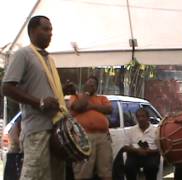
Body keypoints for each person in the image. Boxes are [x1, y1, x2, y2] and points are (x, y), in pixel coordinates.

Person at [2, 15, 66, 180]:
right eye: (45, 29)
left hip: (57, 131)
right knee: (33, 176)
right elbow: (7, 88)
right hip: (37, 129)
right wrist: (40, 102)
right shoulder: (23, 54)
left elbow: (42, 88)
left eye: (51, 30)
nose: (50, 33)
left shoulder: (49, 59)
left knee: (55, 176)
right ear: (32, 31)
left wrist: (62, 91)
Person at [69, 75, 113, 180]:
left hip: (102, 137)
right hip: (84, 136)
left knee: (105, 169)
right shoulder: (76, 97)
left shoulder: (102, 98)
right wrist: (87, 93)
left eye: (93, 85)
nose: (91, 86)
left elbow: (109, 109)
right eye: (89, 84)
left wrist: (92, 106)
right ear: (85, 85)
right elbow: (78, 107)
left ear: (96, 87)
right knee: (84, 170)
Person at [123, 108, 160, 180]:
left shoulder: (156, 131)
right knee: (128, 167)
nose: (140, 119)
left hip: (151, 154)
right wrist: (136, 150)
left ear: (148, 118)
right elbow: (125, 147)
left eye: (143, 116)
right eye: (138, 117)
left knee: (151, 167)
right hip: (134, 154)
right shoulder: (131, 130)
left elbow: (160, 149)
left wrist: (149, 151)